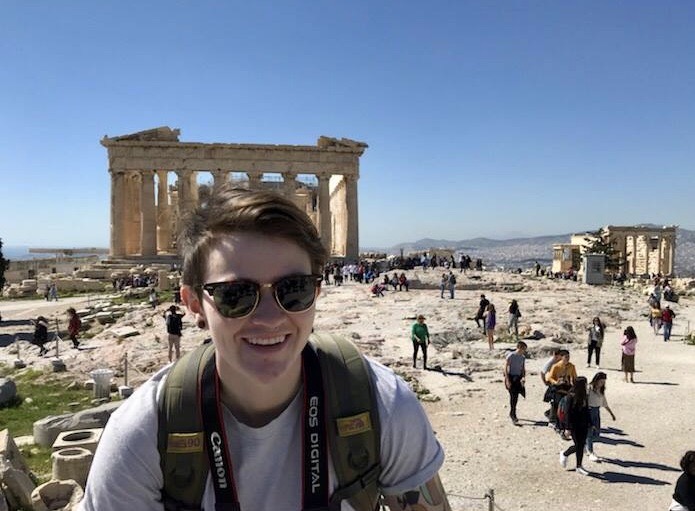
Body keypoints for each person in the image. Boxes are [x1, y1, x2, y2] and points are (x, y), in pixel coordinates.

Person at [81, 185, 450, 511]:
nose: (270, 318)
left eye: (295, 289)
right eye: (236, 295)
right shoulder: (142, 436)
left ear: (317, 292)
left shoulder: (382, 404)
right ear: (194, 304)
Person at [558, 377, 591, 476]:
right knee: (579, 445)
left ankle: (578, 465)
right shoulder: (570, 397)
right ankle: (567, 456)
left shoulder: (585, 396)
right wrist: (567, 428)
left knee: (581, 445)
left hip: (584, 424)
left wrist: (590, 423)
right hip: (574, 425)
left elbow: (586, 411)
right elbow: (568, 413)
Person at [586, 372, 616, 461]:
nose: (602, 383)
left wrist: (611, 414)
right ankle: (590, 452)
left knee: (597, 433)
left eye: (604, 382)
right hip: (589, 411)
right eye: (601, 381)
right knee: (590, 433)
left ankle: (586, 445)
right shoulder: (589, 388)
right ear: (596, 380)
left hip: (597, 412)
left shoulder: (601, 390)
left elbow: (604, 403)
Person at [546, 350, 577, 435]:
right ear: (561, 357)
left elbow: (574, 377)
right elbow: (549, 378)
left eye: (568, 357)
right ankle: (553, 421)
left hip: (567, 386)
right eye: (566, 357)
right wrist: (556, 382)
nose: (568, 358)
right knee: (556, 403)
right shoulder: (556, 366)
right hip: (557, 387)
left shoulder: (571, 366)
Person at [504, 341, 527, 424]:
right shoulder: (511, 355)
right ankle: (513, 414)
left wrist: (524, 377)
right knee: (513, 396)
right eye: (523, 349)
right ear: (519, 347)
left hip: (518, 378)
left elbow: (523, 369)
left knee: (516, 396)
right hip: (511, 377)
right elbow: (506, 368)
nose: (524, 351)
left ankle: (512, 412)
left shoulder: (523, 357)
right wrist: (507, 380)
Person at [540, 349, 562, 425]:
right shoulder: (550, 362)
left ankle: (549, 413)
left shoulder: (561, 361)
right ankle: (552, 418)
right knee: (554, 401)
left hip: (560, 383)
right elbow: (542, 372)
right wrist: (545, 382)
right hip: (552, 383)